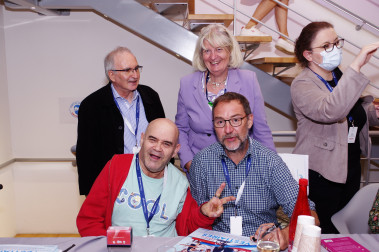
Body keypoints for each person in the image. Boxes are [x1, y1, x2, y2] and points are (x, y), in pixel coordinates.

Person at [188, 92, 318, 250]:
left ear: (249, 121)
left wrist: (284, 234)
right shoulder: (201, 162)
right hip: (216, 245)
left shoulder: (270, 162)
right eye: (220, 122)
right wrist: (203, 211)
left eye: (236, 120)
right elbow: (190, 220)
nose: (228, 129)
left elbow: (309, 217)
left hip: (260, 245)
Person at [77, 118, 235, 237]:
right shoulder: (116, 167)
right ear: (142, 139)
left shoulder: (180, 183)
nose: (157, 148)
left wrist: (204, 213)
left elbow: (189, 228)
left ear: (175, 151)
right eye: (152, 140)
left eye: (166, 144)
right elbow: (89, 220)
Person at [291, 21, 379, 233]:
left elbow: (352, 114)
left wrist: (372, 114)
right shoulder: (302, 84)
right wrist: (356, 66)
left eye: (336, 42)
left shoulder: (339, 77)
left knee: (344, 231)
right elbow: (331, 110)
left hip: (349, 167)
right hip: (321, 174)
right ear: (309, 55)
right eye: (326, 46)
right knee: (322, 231)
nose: (335, 49)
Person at [175, 24, 275, 174]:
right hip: (202, 168)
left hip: (242, 167)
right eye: (207, 51)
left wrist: (273, 167)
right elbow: (181, 130)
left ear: (229, 51)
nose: (213, 56)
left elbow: (261, 129)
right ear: (201, 55)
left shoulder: (249, 80)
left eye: (219, 49)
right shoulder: (187, 84)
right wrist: (189, 163)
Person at [76, 46, 165, 195]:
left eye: (136, 69)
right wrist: (91, 195)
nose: (134, 75)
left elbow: (164, 137)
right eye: (127, 70)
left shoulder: (151, 96)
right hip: (112, 185)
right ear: (112, 75)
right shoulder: (92, 105)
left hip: (150, 181)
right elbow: (86, 154)